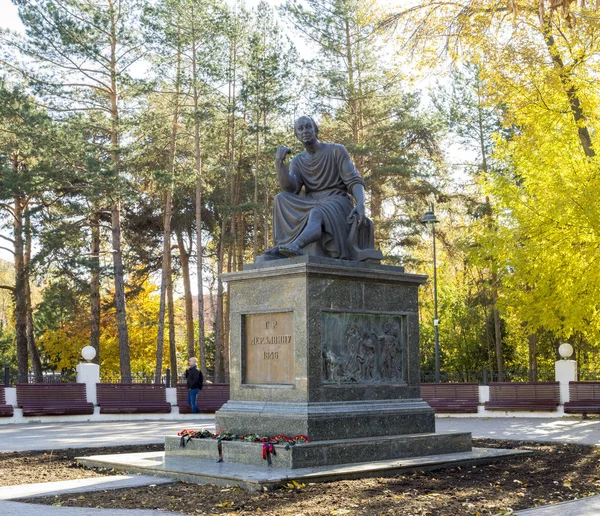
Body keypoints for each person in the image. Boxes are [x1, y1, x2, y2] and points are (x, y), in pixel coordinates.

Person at [260, 115, 366, 260]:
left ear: (316, 129)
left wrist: (360, 204)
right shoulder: (297, 161)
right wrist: (279, 163)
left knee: (316, 212)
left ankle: (296, 245)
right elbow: (291, 189)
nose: (305, 131)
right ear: (296, 135)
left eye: (308, 126)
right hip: (310, 202)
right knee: (280, 198)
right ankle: (282, 245)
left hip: (337, 201)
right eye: (301, 128)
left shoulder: (336, 150)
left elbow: (354, 180)